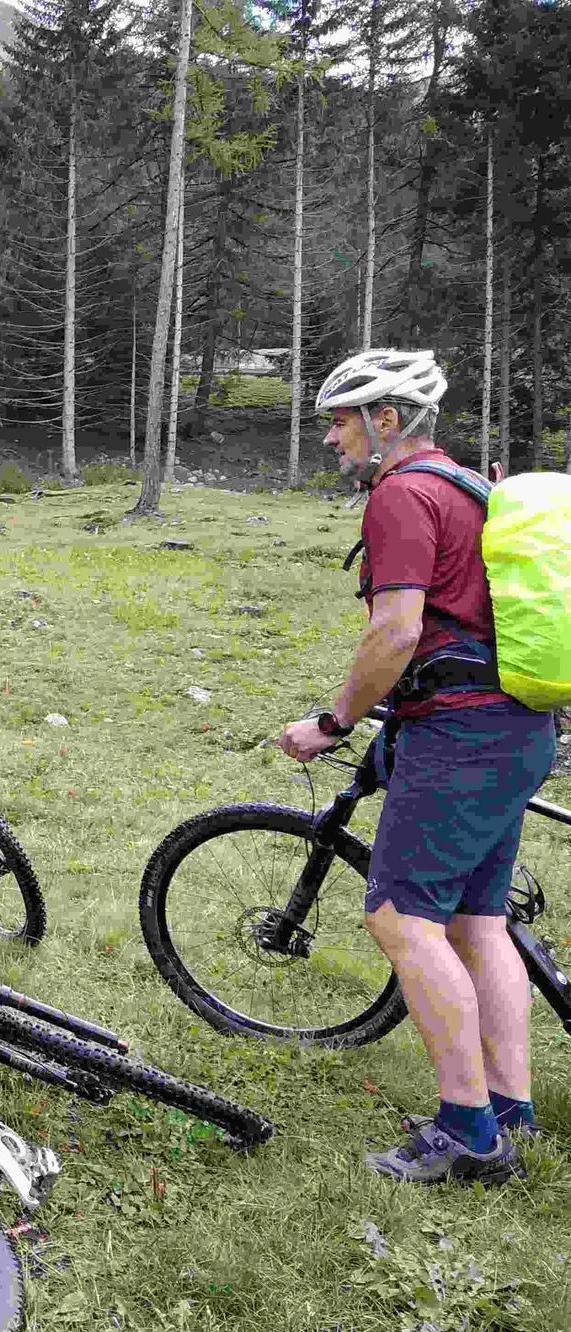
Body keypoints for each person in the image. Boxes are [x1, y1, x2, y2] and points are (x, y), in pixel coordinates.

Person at [278, 348, 553, 1186]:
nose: (330, 438)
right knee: (478, 922)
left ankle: (467, 1133)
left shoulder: (402, 495)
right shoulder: (468, 487)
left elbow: (395, 630)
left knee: (400, 918)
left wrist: (333, 722)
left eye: (339, 420)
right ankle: (509, 1106)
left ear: (385, 421)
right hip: (515, 728)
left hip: (462, 735)